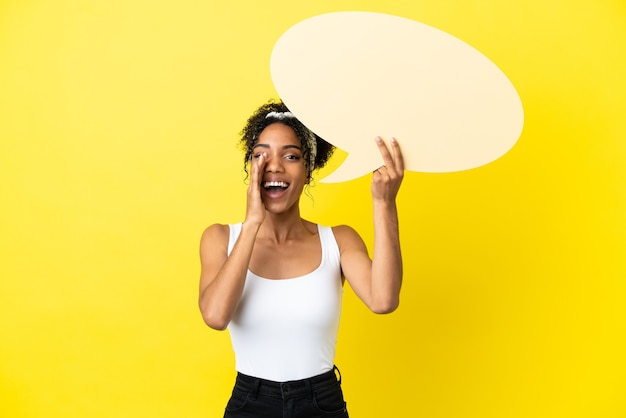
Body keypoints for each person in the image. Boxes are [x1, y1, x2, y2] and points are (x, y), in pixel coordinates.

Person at [198, 100, 404, 418]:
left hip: (321, 402)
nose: (275, 165)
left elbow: (383, 299)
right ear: (249, 168)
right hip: (251, 403)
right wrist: (252, 224)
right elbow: (215, 316)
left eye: (291, 156)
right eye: (260, 155)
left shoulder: (339, 240)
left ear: (308, 171)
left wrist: (384, 202)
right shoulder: (220, 238)